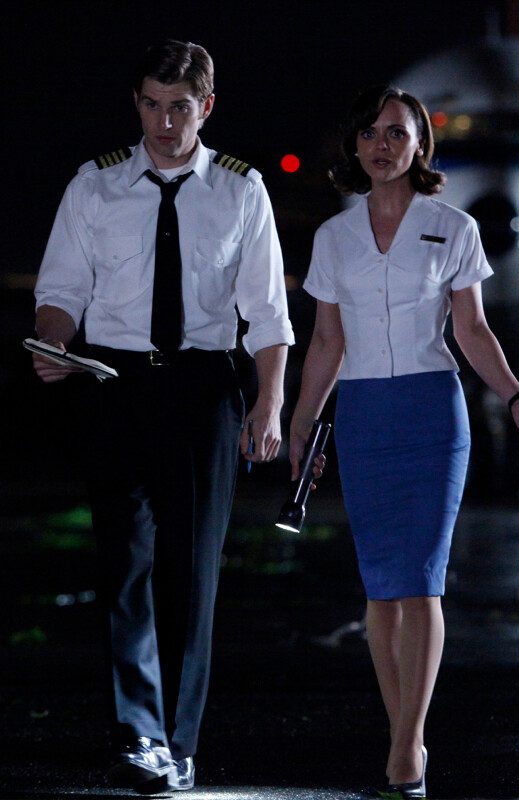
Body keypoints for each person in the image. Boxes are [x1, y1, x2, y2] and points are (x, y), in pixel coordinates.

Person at [32, 39, 294, 793]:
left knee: (190, 568)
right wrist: (52, 344)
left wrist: (269, 402)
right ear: (137, 103)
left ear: (205, 107)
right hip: (113, 386)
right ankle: (138, 734)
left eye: (179, 107)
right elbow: (60, 292)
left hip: (203, 390)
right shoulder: (95, 185)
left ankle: (178, 742)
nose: (163, 122)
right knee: (124, 565)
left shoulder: (240, 191)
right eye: (150, 104)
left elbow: (267, 313)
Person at [289, 85, 519, 799]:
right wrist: (302, 423)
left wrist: (516, 396)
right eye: (370, 133)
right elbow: (326, 342)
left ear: (420, 143)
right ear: (354, 144)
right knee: (381, 589)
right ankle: (408, 739)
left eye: (396, 133)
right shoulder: (333, 237)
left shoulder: (453, 226)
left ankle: (404, 751)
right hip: (364, 414)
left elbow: (472, 330)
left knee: (421, 580)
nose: (382, 145)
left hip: (432, 413)